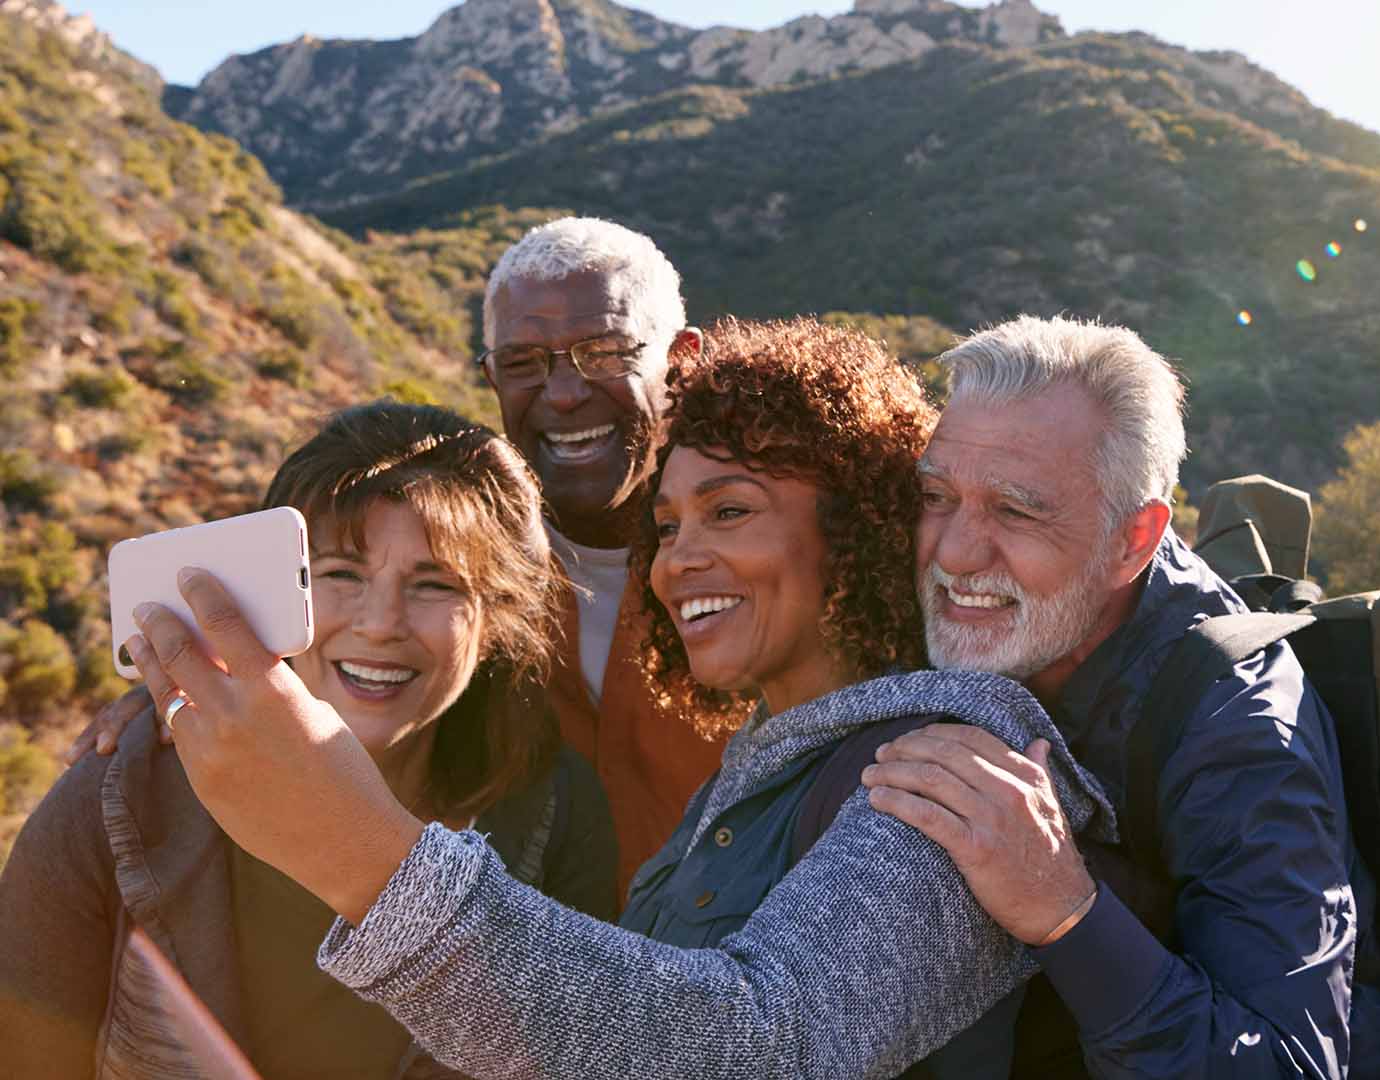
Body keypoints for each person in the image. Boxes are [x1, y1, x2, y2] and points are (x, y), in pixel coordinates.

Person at [114, 317, 1120, 1079]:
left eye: (729, 511)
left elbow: (764, 1047)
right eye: (667, 523)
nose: (680, 560)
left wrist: (362, 855)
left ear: (856, 528)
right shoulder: (766, 773)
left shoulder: (958, 751)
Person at [70, 217, 732, 886]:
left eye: (605, 352)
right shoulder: (457, 555)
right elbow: (303, 663)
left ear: (682, 361)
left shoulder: (768, 561)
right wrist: (180, 695)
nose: (563, 393)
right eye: (523, 365)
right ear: (491, 377)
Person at [0, 401, 619, 1078]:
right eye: (341, 575)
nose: (381, 623)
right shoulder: (122, 790)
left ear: (497, 618)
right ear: (272, 596)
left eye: (434, 584)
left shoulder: (553, 813)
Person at [862, 315, 1380, 1077]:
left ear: (1133, 540)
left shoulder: (1241, 731)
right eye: (936, 496)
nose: (953, 551)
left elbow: (1294, 1062)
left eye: (1017, 510)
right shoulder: (1000, 614)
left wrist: (1065, 912)